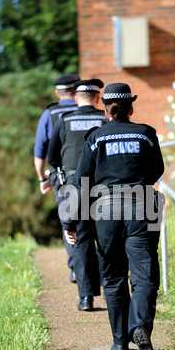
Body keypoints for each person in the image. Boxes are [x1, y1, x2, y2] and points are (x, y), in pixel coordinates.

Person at [63, 82, 165, 350]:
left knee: (113, 277)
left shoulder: (95, 138)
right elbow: (157, 169)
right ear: (131, 107)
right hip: (143, 207)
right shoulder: (146, 134)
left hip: (104, 210)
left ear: (105, 108)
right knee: (144, 277)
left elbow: (80, 181)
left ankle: (120, 342)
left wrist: (70, 220)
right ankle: (141, 327)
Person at [48, 79, 107, 311]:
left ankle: (85, 298)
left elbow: (53, 157)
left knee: (80, 241)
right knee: (105, 237)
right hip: (103, 185)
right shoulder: (105, 119)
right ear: (97, 98)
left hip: (72, 186)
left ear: (76, 99)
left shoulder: (64, 121)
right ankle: (109, 287)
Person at [34, 74, 80, 283]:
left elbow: (39, 151)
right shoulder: (85, 110)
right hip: (92, 175)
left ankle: (75, 267)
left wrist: (42, 179)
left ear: (57, 93)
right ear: (77, 90)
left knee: (67, 219)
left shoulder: (50, 114)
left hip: (61, 177)